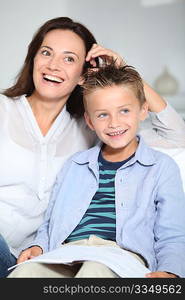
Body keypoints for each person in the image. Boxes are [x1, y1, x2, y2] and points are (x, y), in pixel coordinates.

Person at [1, 16, 185, 278]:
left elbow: (176, 135)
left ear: (82, 75)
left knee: (91, 271)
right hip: (38, 254)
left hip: (45, 252)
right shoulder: (4, 110)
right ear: (33, 58)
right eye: (46, 53)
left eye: (69, 58)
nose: (53, 65)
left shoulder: (92, 128)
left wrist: (125, 73)